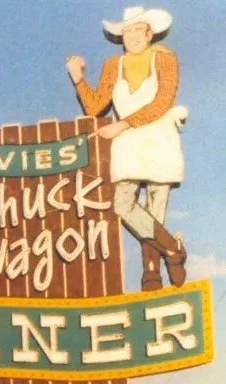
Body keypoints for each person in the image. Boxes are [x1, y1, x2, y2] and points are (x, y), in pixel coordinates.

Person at [66, 6, 187, 291]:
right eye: (127, 31)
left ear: (149, 33)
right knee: (123, 206)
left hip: (159, 138)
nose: (132, 36)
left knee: (156, 209)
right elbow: (96, 106)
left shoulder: (165, 58)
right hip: (127, 144)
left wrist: (122, 125)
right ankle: (173, 250)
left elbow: (163, 101)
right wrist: (78, 78)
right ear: (121, 36)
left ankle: (151, 275)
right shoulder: (113, 64)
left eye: (137, 30)